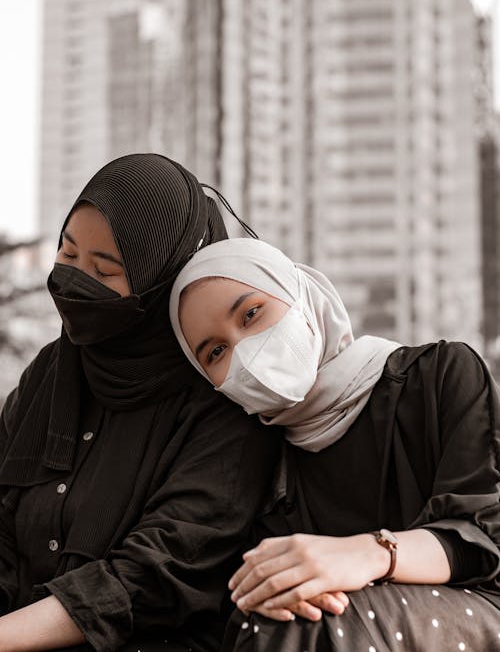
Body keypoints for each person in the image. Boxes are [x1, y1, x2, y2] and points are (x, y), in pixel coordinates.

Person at [0, 156, 279, 652]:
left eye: (104, 271)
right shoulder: (50, 373)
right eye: (67, 256)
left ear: (160, 284)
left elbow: (160, 571)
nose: (74, 282)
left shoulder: (219, 395)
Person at [169, 237, 500, 651]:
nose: (245, 353)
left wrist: (366, 556)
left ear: (301, 294)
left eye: (252, 314)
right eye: (216, 351)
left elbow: (484, 539)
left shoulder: (438, 377)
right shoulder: (258, 462)